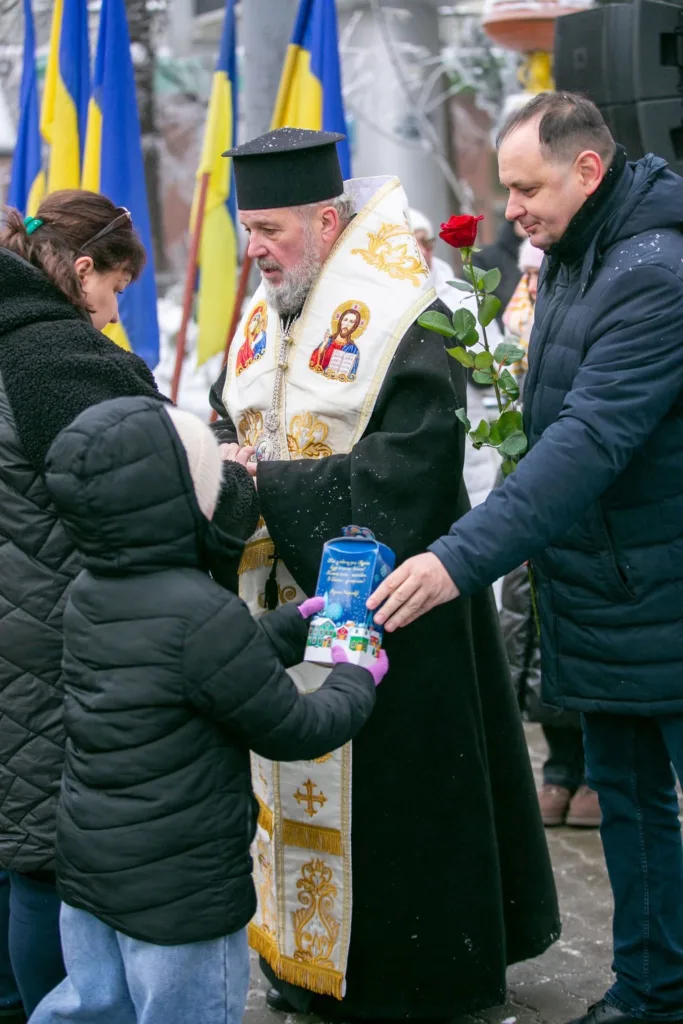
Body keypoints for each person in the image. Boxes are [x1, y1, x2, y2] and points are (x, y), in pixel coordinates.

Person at [210, 126, 559, 1022]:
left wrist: (268, 486)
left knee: (400, 812)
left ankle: (413, 980)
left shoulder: (403, 306)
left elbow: (413, 469)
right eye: (246, 230)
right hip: (286, 616)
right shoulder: (264, 310)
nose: (256, 251)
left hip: (396, 612)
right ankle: (301, 963)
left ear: (328, 220)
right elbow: (232, 412)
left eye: (272, 231)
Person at [369, 92, 683, 1024]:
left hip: (663, 586)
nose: (511, 209)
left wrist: (456, 559)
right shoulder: (578, 257)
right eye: (505, 188)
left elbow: (588, 439)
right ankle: (651, 989)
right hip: (611, 587)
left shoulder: (652, 273)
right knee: (627, 809)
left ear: (587, 170)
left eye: (525, 187)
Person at [27, 396, 381, 1024]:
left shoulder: (89, 593)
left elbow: (186, 672)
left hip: (90, 874)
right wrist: (355, 677)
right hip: (180, 897)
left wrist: (284, 628)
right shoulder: (201, 613)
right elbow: (293, 728)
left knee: (91, 1010)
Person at [0, 190, 255, 1017]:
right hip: (55, 637)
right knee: (45, 853)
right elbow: (161, 501)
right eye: (113, 290)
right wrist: (235, 481)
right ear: (81, 272)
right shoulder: (65, 359)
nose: (113, 315)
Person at [501, 239, 600, 829]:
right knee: (533, 643)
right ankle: (558, 768)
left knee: (581, 637)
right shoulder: (515, 329)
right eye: (530, 277)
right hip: (528, 492)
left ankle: (590, 771)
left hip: (574, 494)